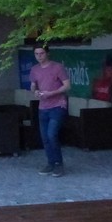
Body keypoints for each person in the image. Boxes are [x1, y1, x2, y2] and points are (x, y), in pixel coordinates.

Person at [29, 45, 71, 177]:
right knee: (45, 137)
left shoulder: (57, 67)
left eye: (41, 53)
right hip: (43, 106)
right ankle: (51, 162)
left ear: (47, 53)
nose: (39, 56)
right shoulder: (34, 69)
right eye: (36, 54)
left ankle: (58, 164)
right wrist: (36, 91)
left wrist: (52, 93)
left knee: (52, 134)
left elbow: (67, 85)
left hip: (58, 105)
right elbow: (33, 85)